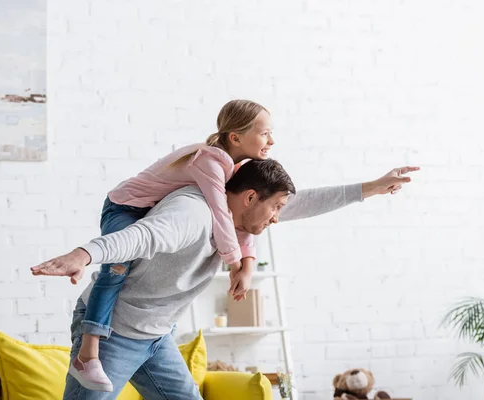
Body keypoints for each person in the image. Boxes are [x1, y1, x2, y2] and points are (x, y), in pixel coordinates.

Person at [31, 159, 419, 399]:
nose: (278, 217)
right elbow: (141, 236)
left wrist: (372, 187)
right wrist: (84, 254)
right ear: (249, 197)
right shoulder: (193, 213)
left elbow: (306, 202)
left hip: (155, 337)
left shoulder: (232, 216)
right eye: (276, 207)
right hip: (115, 334)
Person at [50, 99, 273, 391]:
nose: (271, 140)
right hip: (125, 207)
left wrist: (248, 262)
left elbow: (241, 216)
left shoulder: (234, 169)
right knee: (115, 269)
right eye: (265, 133)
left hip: (155, 333)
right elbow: (222, 213)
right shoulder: (211, 162)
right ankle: (89, 352)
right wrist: (234, 262)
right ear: (236, 137)